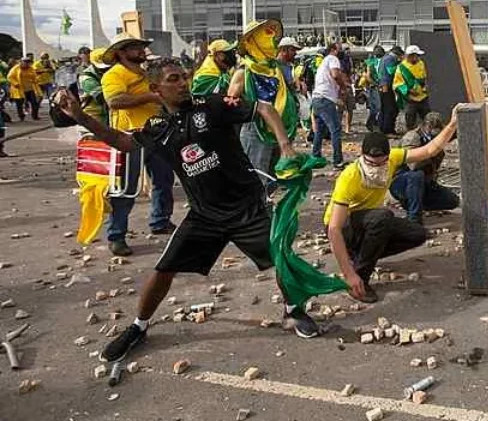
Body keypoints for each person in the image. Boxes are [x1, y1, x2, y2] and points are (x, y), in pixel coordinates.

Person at [54, 59, 326, 364]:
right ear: (156, 89)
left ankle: (292, 311)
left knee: (280, 260)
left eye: (184, 77)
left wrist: (286, 146)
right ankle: (138, 327)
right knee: (163, 270)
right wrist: (80, 116)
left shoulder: (211, 105)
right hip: (204, 216)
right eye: (174, 79)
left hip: (247, 207)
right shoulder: (158, 128)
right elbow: (122, 141)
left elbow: (264, 107)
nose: (183, 83)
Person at [325, 114, 459, 303]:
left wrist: (452, 123)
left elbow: (429, 150)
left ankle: (360, 255)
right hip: (343, 227)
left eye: (381, 163)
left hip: (368, 221)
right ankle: (359, 279)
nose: (377, 168)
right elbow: (333, 228)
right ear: (363, 157)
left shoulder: (394, 158)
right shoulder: (350, 177)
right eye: (371, 163)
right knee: (382, 217)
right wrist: (348, 274)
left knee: (417, 233)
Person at [101, 34, 177, 256]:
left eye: (142, 46)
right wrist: (151, 98)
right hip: (129, 137)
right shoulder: (114, 75)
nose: (141, 50)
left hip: (155, 132)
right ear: (122, 53)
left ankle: (160, 221)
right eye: (135, 47)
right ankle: (116, 235)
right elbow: (115, 101)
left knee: (164, 179)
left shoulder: (145, 73)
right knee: (126, 189)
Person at [228, 19, 300, 194]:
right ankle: (255, 214)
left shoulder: (275, 69)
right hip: (256, 131)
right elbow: (230, 105)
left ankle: (265, 208)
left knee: (273, 177)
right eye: (265, 38)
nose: (271, 42)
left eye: (272, 38)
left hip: (279, 130)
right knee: (256, 178)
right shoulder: (243, 72)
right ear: (252, 42)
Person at [389, 112, 460, 224]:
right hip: (402, 181)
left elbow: (433, 169)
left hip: (424, 182)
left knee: (452, 201)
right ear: (427, 127)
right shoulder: (412, 137)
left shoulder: (434, 140)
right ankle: (414, 219)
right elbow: (413, 165)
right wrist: (431, 151)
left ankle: (415, 204)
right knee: (417, 176)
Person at [310, 42, 345, 168]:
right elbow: (335, 75)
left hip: (317, 98)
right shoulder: (332, 58)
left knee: (319, 130)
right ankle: (338, 161)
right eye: (340, 49)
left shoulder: (323, 63)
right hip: (325, 99)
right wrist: (343, 86)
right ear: (333, 50)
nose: (342, 51)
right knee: (335, 129)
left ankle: (315, 156)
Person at [394, 45, 430, 131]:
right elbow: (397, 84)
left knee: (427, 117)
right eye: (417, 55)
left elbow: (423, 77)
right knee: (410, 118)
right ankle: (410, 136)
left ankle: (428, 134)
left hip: (423, 97)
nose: (418, 57)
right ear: (411, 56)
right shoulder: (401, 68)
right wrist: (409, 91)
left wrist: (425, 85)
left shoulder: (421, 63)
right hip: (410, 99)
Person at [378, 46, 402, 135]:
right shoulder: (390, 59)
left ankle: (383, 128)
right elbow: (391, 71)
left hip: (383, 86)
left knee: (385, 108)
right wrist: (400, 65)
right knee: (390, 108)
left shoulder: (384, 58)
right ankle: (388, 130)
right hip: (386, 86)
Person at [362, 46, 384, 132]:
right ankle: (371, 124)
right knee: (377, 108)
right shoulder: (371, 62)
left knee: (375, 108)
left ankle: (372, 124)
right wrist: (376, 84)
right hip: (374, 87)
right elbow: (367, 75)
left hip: (375, 87)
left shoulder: (375, 61)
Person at [339, 45, 355, 134]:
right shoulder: (341, 61)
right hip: (344, 86)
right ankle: (345, 128)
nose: (348, 52)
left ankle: (346, 127)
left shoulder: (348, 60)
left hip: (346, 86)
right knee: (343, 109)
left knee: (348, 108)